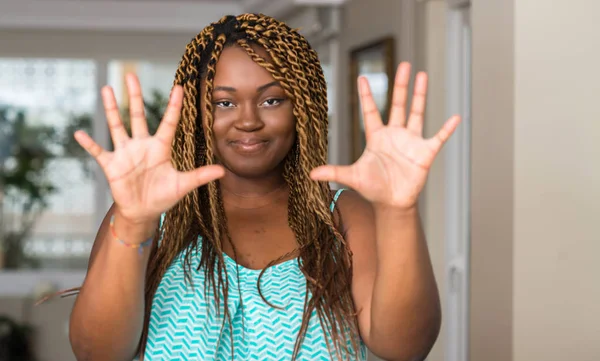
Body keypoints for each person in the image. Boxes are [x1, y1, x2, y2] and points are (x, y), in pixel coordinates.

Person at [66, 13, 460, 361]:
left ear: (303, 108)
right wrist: (134, 221)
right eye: (224, 103)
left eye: (272, 101)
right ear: (196, 114)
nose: (248, 121)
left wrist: (398, 210)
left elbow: (405, 347)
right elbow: (96, 353)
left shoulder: (342, 214)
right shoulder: (148, 215)